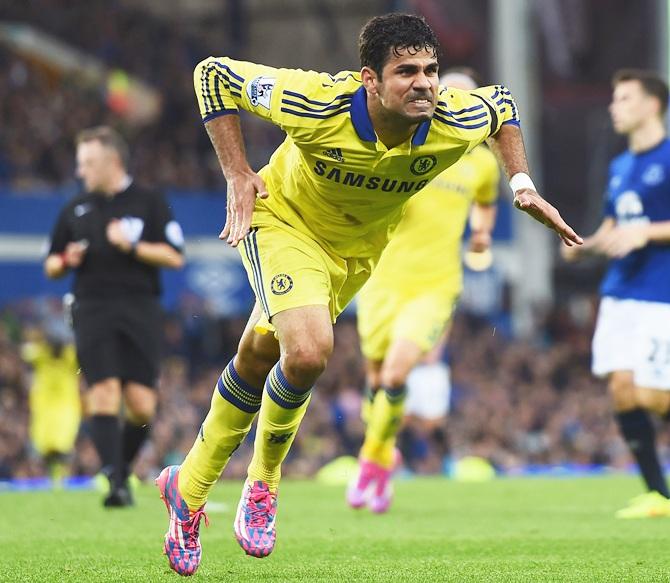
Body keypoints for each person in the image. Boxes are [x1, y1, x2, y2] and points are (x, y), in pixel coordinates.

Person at [156, 13, 580, 575]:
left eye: (431, 70)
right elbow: (213, 75)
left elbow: (502, 104)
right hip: (284, 223)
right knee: (308, 352)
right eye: (406, 72)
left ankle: (185, 489)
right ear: (369, 80)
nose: (424, 83)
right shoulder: (316, 102)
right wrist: (237, 172)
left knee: (259, 356)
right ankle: (262, 484)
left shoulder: (454, 119)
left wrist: (521, 184)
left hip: (356, 253)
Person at [348, 67, 500, 513]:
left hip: (435, 285)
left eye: (468, 100)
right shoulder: (405, 145)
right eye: (448, 95)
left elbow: (487, 204)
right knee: (376, 381)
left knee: (396, 373)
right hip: (381, 280)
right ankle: (381, 453)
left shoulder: (482, 163)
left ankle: (372, 462)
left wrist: (482, 233)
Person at [45, 126, 185, 507]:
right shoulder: (76, 208)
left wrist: (133, 245)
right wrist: (64, 261)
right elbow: (51, 263)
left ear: (112, 161)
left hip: (140, 308)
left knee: (142, 405)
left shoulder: (150, 202)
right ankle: (116, 485)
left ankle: (118, 468)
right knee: (103, 391)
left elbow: (175, 255)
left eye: (88, 162)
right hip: (92, 307)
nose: (81, 171)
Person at [562, 69, 670, 519]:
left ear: (652, 104)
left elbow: (638, 228)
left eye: (624, 98)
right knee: (622, 391)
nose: (614, 106)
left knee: (652, 396)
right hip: (619, 290)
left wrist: (645, 232)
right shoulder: (620, 166)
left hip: (660, 293)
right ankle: (657, 495)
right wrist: (579, 243)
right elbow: (612, 226)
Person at [21, 324, 81, 485]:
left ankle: (61, 479)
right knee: (46, 448)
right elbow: (25, 351)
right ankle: (53, 480)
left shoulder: (70, 357)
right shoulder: (42, 354)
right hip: (45, 409)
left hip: (65, 408)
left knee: (63, 446)